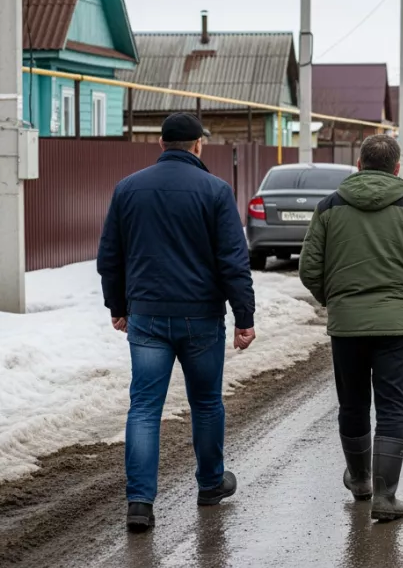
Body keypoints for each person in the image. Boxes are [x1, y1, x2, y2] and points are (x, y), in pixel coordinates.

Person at [97, 113, 256, 532]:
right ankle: (209, 484)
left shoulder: (128, 189)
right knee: (205, 403)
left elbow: (110, 256)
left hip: (147, 316)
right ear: (199, 145)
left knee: (145, 407)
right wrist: (245, 317)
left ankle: (140, 503)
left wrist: (118, 305)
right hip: (201, 317)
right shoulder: (216, 191)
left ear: (161, 144)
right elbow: (233, 262)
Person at [299, 134, 403, 521]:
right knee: (393, 408)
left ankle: (361, 480)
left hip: (347, 324)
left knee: (352, 404)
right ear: (398, 168)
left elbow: (309, 268)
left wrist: (335, 301)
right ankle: (385, 497)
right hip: (396, 326)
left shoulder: (330, 207)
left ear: (360, 164)